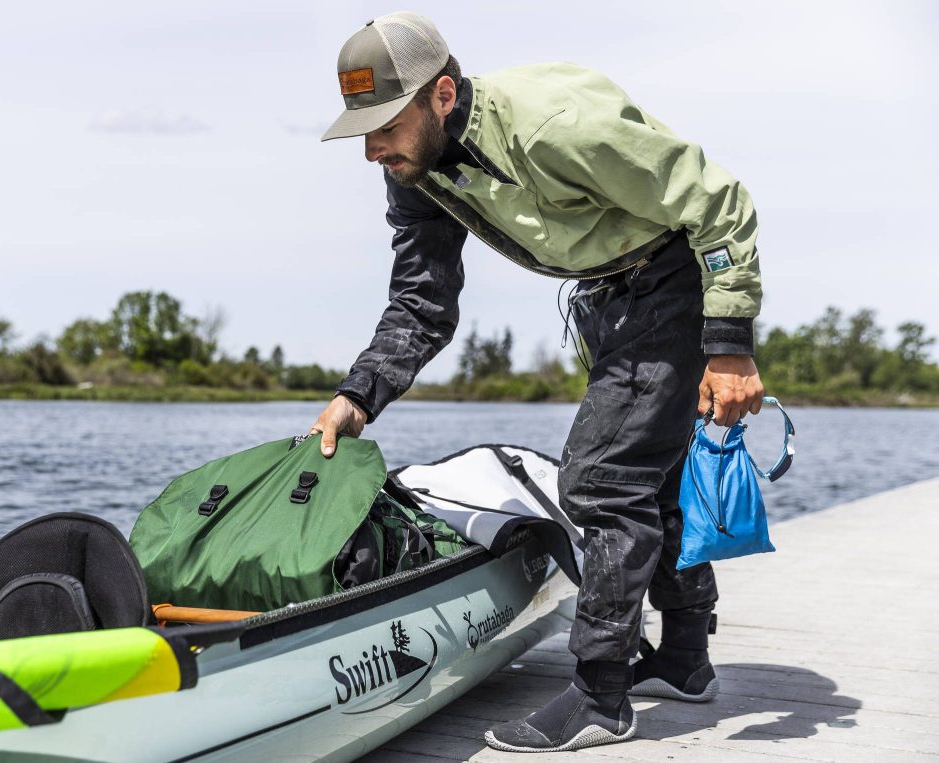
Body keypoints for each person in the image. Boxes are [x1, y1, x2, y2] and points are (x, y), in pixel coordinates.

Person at [313, 11, 764, 753]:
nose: (371, 149)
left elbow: (718, 203)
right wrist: (358, 394)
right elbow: (422, 302)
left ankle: (599, 695)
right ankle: (684, 658)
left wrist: (729, 347)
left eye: (384, 123)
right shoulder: (417, 169)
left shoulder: (555, 127)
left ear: (443, 95)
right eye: (360, 130)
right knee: (651, 477)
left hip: (673, 279)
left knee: (600, 481)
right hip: (611, 298)